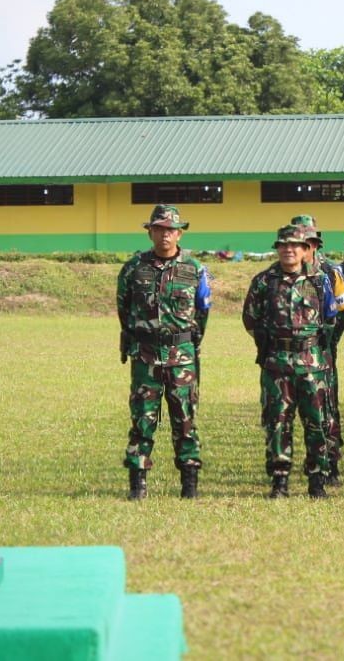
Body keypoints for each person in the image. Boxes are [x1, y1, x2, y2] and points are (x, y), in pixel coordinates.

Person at [243, 225, 344, 498]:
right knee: (277, 422)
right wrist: (270, 346)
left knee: (317, 422)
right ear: (277, 248)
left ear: (306, 250)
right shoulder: (263, 281)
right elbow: (250, 319)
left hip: (313, 364)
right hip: (277, 364)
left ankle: (318, 480)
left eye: (295, 245)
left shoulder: (321, 280)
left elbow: (333, 317)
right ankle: (279, 481)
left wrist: (318, 348)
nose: (288, 250)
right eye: (283, 245)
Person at [117, 204, 212, 500]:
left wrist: (187, 342)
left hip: (181, 357)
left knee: (185, 420)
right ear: (150, 232)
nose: (165, 235)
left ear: (179, 233)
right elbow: (123, 308)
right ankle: (138, 484)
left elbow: (203, 311)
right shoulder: (134, 268)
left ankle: (189, 484)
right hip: (146, 356)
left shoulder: (194, 269)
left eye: (171, 230)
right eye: (159, 229)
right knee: (143, 420)